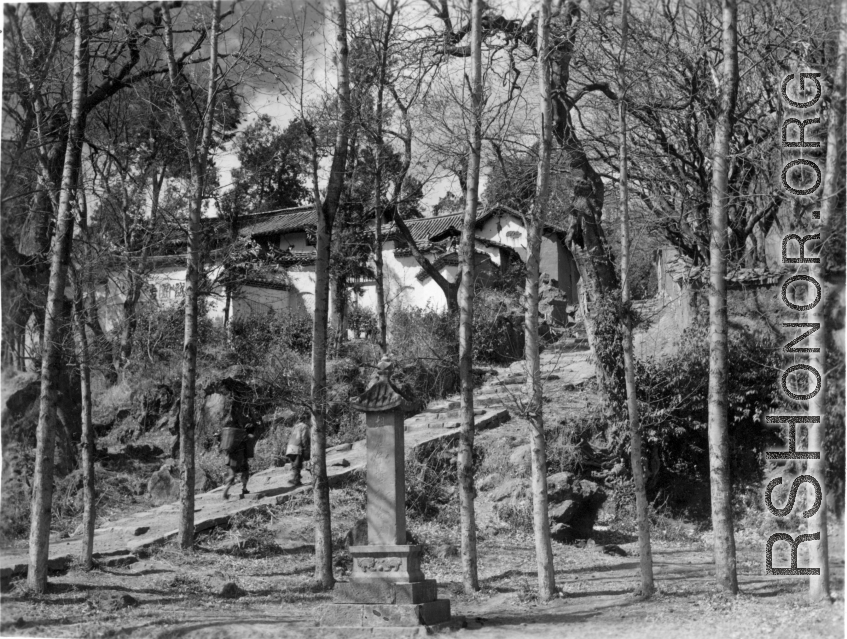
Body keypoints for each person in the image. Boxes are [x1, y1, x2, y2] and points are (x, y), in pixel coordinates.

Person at [222, 424, 255, 500]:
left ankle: (226, 490)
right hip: (241, 459)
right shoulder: (249, 437)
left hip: (231, 458)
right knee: (245, 472)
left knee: (232, 475)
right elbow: (249, 452)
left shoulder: (238, 437)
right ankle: (244, 489)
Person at [286, 420, 311, 486]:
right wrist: (306, 449)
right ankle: (296, 480)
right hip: (297, 447)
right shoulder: (304, 426)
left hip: (290, 447)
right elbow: (304, 438)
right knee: (297, 465)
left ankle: (296, 479)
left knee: (295, 465)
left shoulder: (295, 426)